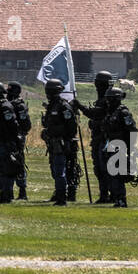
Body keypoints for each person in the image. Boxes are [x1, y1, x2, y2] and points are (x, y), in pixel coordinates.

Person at [40, 78, 79, 206]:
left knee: (60, 170)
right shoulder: (51, 106)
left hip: (62, 143)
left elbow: (72, 127)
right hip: (53, 142)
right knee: (55, 169)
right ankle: (59, 193)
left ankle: (62, 197)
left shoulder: (63, 106)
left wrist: (62, 136)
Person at [79, 70, 114, 204]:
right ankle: (104, 194)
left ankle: (111, 193)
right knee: (99, 169)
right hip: (98, 138)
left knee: (106, 168)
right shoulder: (102, 99)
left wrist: (80, 107)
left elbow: (95, 115)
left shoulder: (107, 100)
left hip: (105, 139)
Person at [100, 87, 138, 208]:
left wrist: (131, 149)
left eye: (110, 99)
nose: (108, 102)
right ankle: (116, 198)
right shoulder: (110, 112)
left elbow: (132, 130)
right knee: (111, 175)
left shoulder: (123, 113)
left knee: (118, 175)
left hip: (120, 147)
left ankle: (121, 200)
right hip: (111, 146)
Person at [6, 81, 32, 200]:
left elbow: (26, 125)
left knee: (18, 164)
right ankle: (9, 190)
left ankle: (22, 191)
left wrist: (19, 134)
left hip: (17, 139)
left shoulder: (19, 106)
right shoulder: (7, 104)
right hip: (8, 138)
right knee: (7, 164)